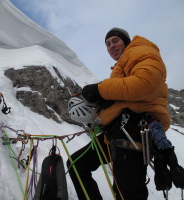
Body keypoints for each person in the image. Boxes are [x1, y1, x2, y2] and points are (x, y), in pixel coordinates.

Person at [67, 27, 184, 200]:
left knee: (127, 194)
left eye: (115, 41)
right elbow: (125, 95)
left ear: (126, 41)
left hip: (133, 131)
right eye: (107, 44)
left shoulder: (141, 51)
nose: (111, 46)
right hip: (117, 132)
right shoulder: (123, 65)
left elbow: (145, 84)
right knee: (77, 165)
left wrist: (100, 90)